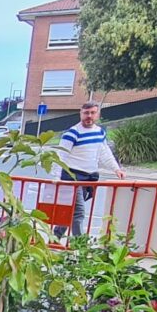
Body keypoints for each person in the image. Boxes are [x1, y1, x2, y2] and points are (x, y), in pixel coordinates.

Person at [55, 100, 124, 238]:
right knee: (78, 211)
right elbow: (60, 156)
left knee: (71, 211)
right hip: (72, 177)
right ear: (80, 114)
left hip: (89, 177)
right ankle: (80, 245)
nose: (89, 116)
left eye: (93, 113)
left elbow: (104, 152)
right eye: (86, 113)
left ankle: (55, 236)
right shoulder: (72, 133)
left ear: (97, 114)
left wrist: (116, 169)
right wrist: (56, 178)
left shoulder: (99, 132)